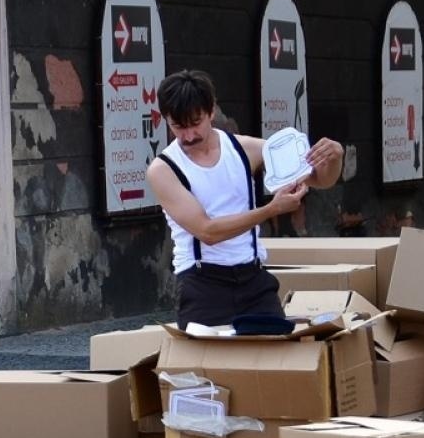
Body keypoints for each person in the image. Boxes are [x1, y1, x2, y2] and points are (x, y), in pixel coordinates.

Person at [146, 70, 343, 328]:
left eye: (196, 123)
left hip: (253, 278)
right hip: (202, 282)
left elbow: (319, 179)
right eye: (178, 127)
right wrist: (271, 210)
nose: (189, 135)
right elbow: (207, 231)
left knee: (279, 359)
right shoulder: (163, 169)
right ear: (166, 120)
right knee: (210, 367)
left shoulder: (245, 149)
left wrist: (334, 156)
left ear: (211, 112)